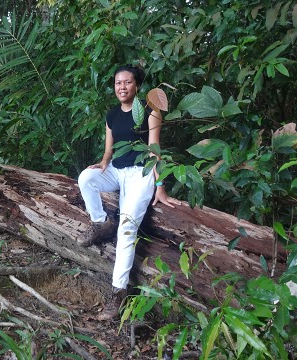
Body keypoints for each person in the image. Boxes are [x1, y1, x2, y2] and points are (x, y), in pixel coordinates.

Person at [76, 64, 181, 320]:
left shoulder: (150, 111)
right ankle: (101, 223)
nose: (121, 87)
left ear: (137, 85)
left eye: (127, 82)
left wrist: (160, 186)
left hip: (140, 174)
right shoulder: (112, 115)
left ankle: (118, 292)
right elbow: (109, 148)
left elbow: (154, 150)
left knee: (127, 228)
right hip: (117, 169)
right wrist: (102, 163)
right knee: (85, 178)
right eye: (117, 83)